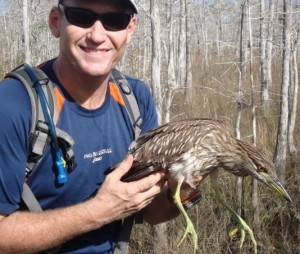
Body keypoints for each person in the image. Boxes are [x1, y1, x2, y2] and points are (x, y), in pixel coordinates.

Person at [0, 0, 202, 253]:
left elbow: (152, 212)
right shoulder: (12, 105)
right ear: (55, 22)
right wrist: (99, 211)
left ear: (130, 29)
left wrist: (184, 188)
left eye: (114, 21)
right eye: (81, 17)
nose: (97, 35)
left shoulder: (136, 99)